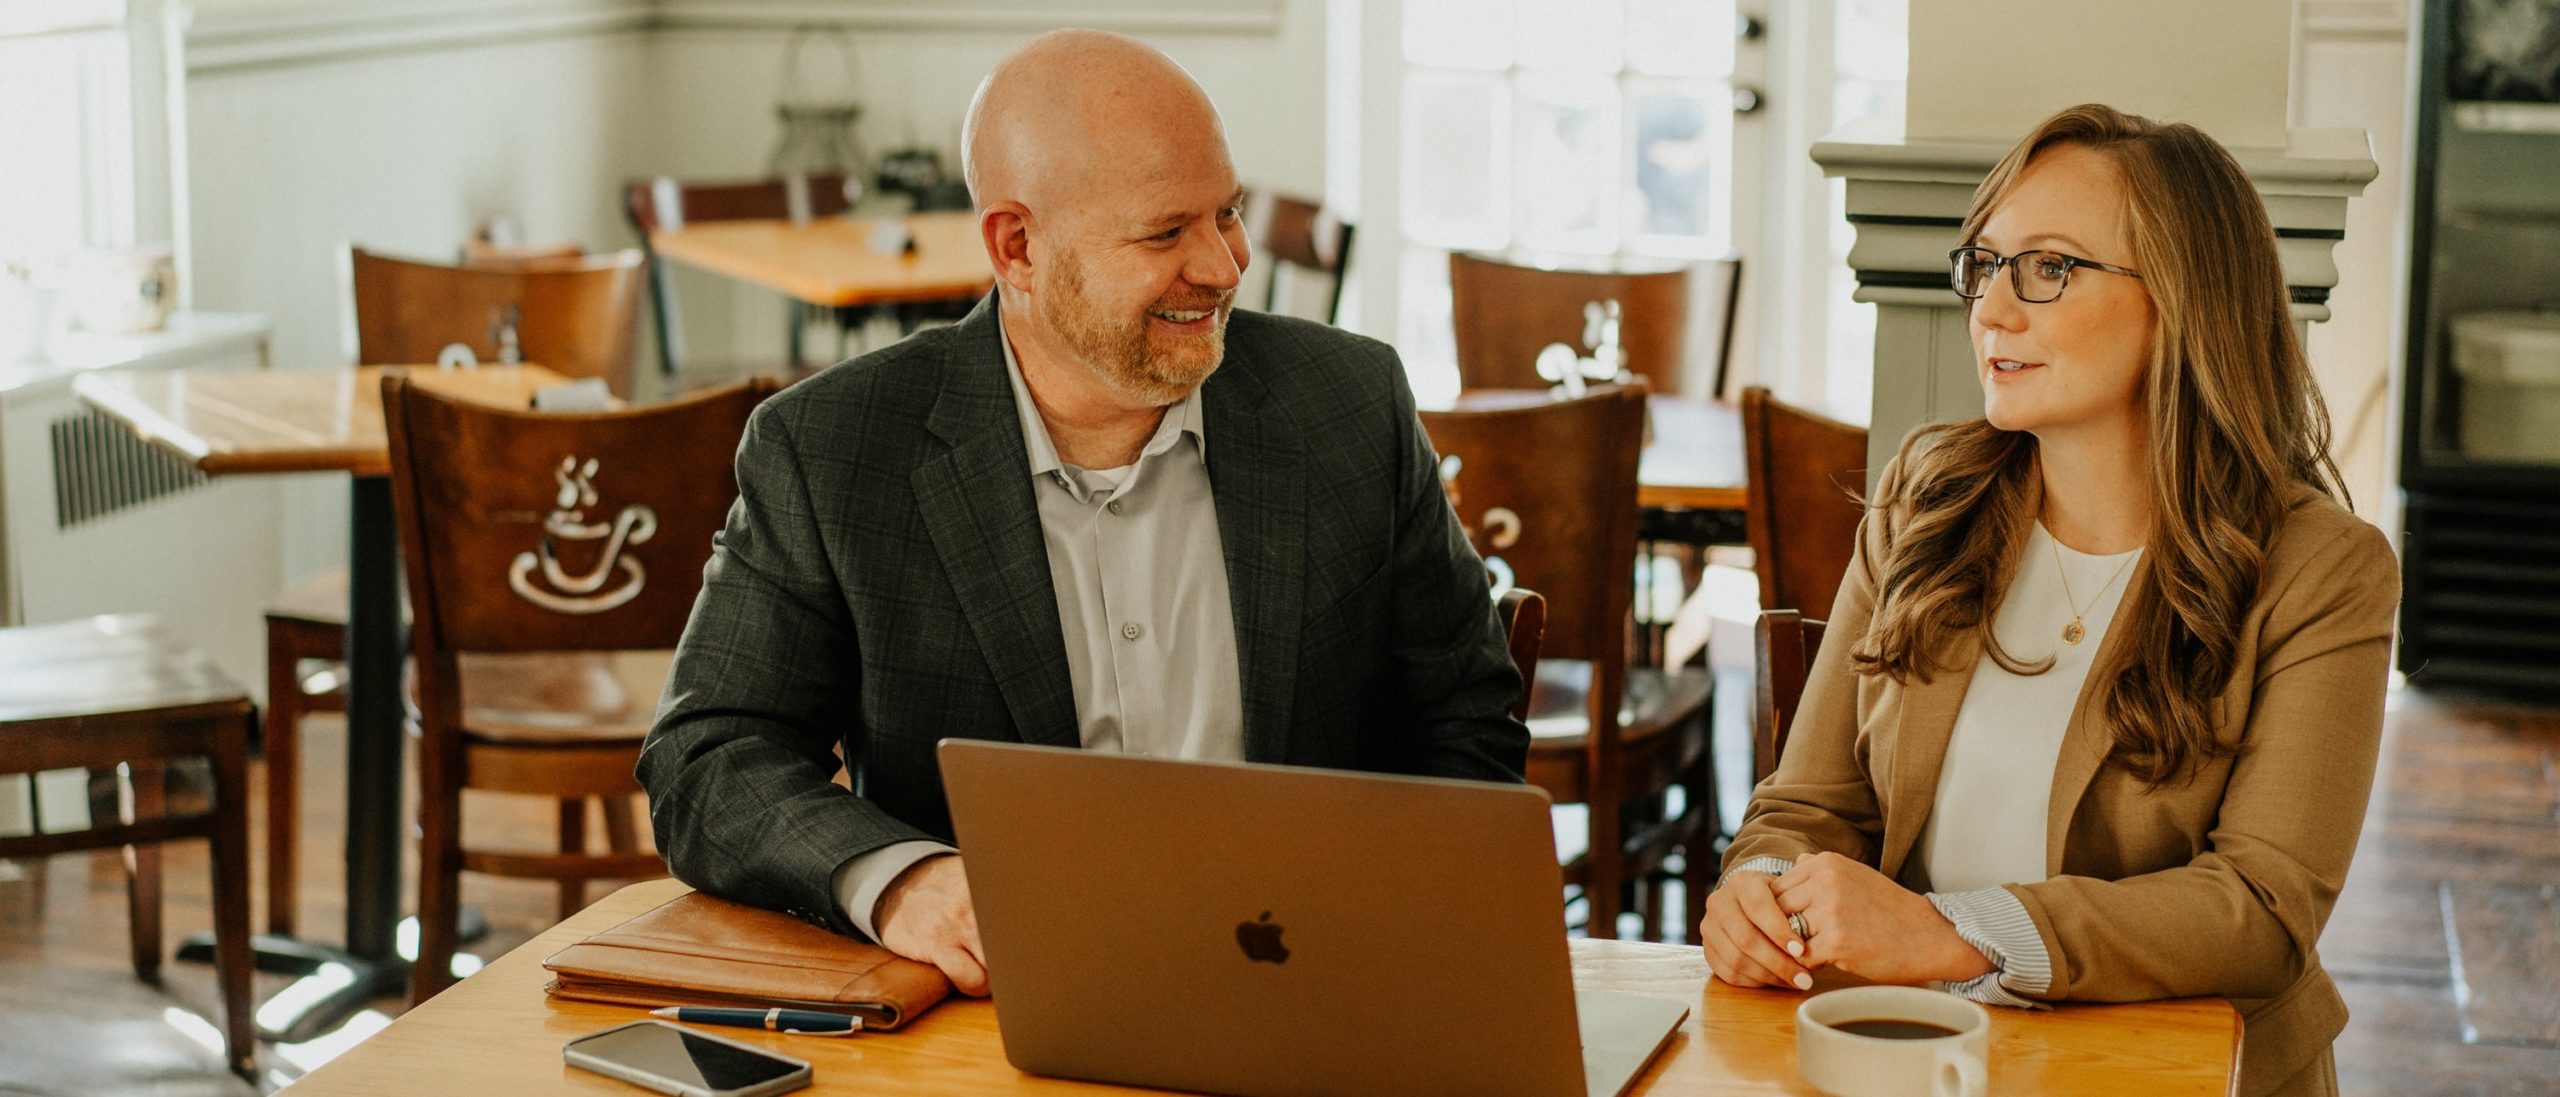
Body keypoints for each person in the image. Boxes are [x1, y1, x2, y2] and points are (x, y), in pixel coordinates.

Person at [638, 29, 1528, 999]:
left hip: (1308, 983)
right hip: (996, 1015)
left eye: (1227, 213)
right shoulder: (834, 450)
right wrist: (905, 884)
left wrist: (1388, 920)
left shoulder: (1347, 404)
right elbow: (707, 757)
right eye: (1163, 233)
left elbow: (1465, 714)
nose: (1225, 265)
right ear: (1016, 246)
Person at [1705, 103, 2397, 1097]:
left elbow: (2260, 910)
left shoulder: (2322, 569)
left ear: (2183, 300)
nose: (1991, 307)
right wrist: (1759, 888)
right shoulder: (1923, 492)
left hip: (2188, 1071)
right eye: (1984, 264)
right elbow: (1808, 804)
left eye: (2049, 267)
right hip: (1908, 1052)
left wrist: (1949, 932)